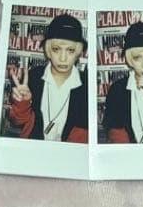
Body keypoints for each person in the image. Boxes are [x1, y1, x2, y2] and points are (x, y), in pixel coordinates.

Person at [6, 14, 89, 142]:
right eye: (56, 49)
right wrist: (22, 104)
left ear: (79, 51)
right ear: (48, 50)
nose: (63, 58)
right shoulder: (33, 77)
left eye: (70, 50)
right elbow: (17, 121)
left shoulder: (87, 85)